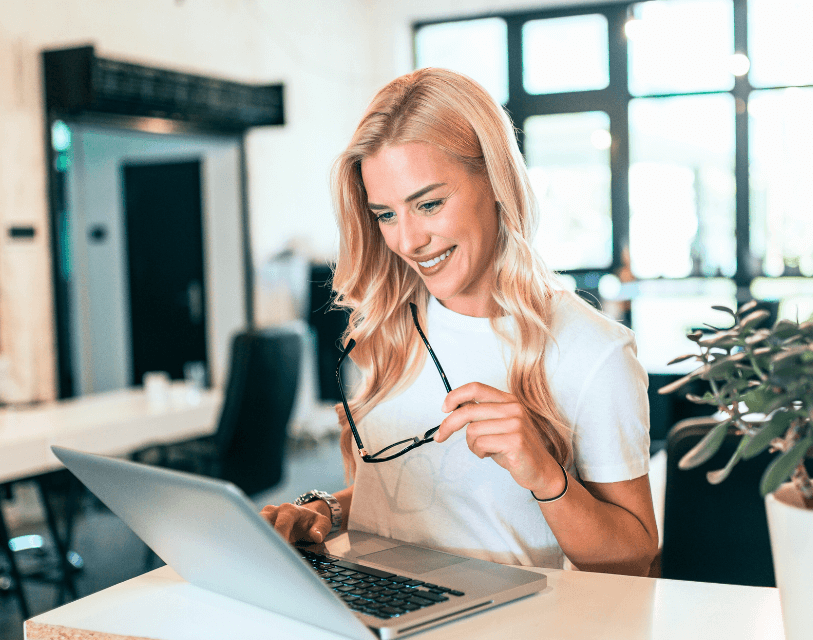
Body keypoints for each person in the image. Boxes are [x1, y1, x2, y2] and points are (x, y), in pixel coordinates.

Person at [261, 68, 657, 576]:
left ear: (495, 181)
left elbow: (634, 556)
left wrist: (543, 473)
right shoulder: (389, 328)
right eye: (385, 214)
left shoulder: (592, 351)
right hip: (378, 609)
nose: (407, 241)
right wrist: (326, 511)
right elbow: (408, 499)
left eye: (428, 204)